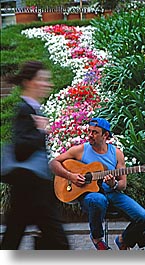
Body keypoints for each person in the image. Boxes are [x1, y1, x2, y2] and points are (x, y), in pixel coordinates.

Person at [50, 117, 145, 250]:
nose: (90, 135)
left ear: (106, 135)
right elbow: (53, 163)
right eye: (90, 131)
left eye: (95, 132)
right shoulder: (81, 150)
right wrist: (71, 176)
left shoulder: (117, 154)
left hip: (112, 193)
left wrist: (113, 184)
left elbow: (123, 184)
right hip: (90, 196)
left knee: (144, 218)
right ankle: (97, 237)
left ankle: (123, 240)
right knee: (98, 199)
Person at [1, 61, 70, 250]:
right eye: (42, 80)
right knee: (58, 241)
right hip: (31, 189)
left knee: (13, 237)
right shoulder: (25, 110)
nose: (48, 84)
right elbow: (20, 149)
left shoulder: (32, 109)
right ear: (29, 82)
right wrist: (41, 132)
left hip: (31, 190)